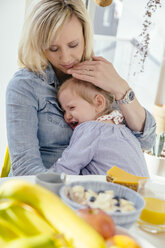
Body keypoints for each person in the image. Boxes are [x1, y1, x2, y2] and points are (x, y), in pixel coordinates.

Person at [6, 0, 156, 176]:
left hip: (96, 193)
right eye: (53, 48)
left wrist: (120, 88)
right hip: (50, 188)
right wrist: (69, 191)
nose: (65, 57)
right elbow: (26, 169)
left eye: (73, 45)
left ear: (85, 37)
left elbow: (146, 140)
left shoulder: (97, 76)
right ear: (39, 46)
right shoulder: (24, 86)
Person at [51, 77, 149, 176]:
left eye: (72, 108)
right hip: (140, 188)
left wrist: (43, 180)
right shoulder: (125, 131)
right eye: (64, 111)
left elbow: (67, 167)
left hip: (112, 190)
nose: (67, 116)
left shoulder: (90, 130)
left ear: (99, 103)